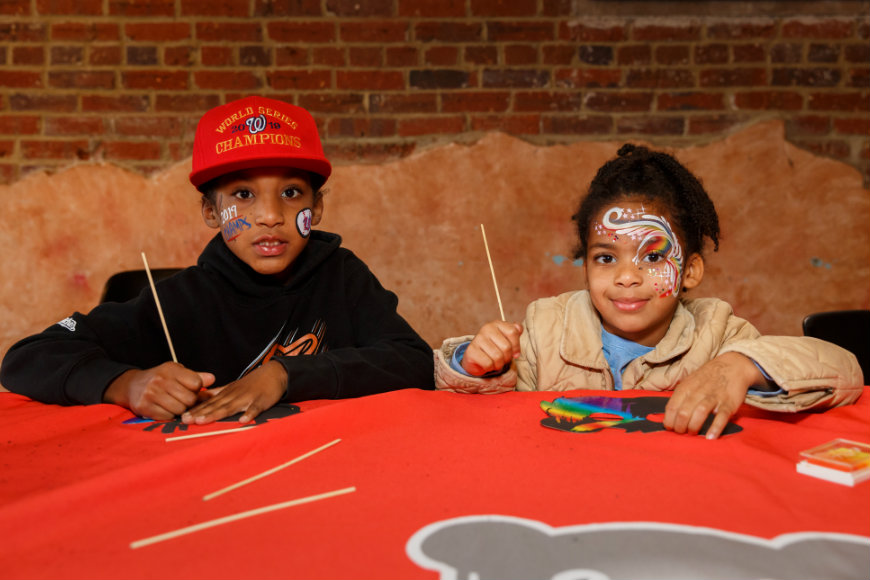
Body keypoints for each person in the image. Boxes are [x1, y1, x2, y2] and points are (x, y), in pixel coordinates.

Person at [1, 96, 434, 424]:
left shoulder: (342, 275)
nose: (269, 216)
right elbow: (28, 357)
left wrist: (285, 375)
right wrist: (126, 384)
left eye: (291, 193)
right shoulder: (179, 301)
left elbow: (412, 360)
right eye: (243, 195)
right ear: (211, 212)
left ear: (316, 208)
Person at [434, 144, 863, 439]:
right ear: (585, 264)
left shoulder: (717, 333)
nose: (626, 277)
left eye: (653, 257)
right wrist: (475, 365)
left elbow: (845, 370)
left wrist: (739, 367)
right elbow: (476, 407)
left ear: (690, 270)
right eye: (606, 258)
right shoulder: (546, 326)